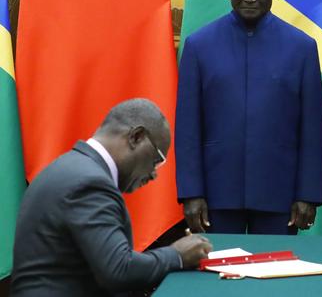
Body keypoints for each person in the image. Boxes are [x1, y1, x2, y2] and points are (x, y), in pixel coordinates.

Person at [176, 0, 322, 235]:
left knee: (275, 275)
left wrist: (308, 194)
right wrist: (191, 193)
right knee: (218, 275)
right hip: (216, 193)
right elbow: (188, 128)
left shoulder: (302, 48)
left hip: (279, 193)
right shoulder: (199, 46)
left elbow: (312, 129)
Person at [11, 99, 213, 297]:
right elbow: (118, 270)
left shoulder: (73, 167)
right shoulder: (89, 183)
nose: (153, 174)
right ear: (136, 137)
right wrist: (177, 256)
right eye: (157, 160)